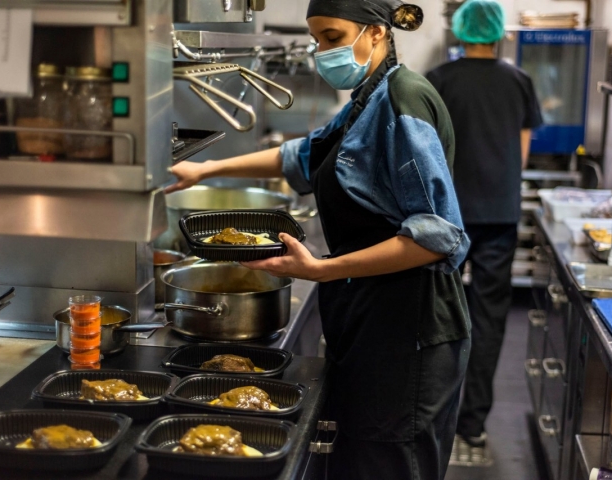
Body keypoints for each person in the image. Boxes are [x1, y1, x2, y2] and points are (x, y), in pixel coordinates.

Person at [166, 1, 471, 478]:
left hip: (409, 328)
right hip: (371, 319)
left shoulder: (403, 100)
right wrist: (206, 168)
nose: (321, 52)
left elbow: (437, 236)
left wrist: (321, 270)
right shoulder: (369, 100)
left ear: (376, 33)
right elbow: (304, 156)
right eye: (317, 40)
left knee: (389, 463)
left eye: (332, 38)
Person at [425, 0, 543, 466]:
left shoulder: (439, 80)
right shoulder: (519, 81)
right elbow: (523, 150)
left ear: (459, 31)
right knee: (489, 321)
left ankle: (438, 421)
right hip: (498, 216)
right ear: (499, 34)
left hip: (445, 218)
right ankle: (472, 427)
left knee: (437, 318)